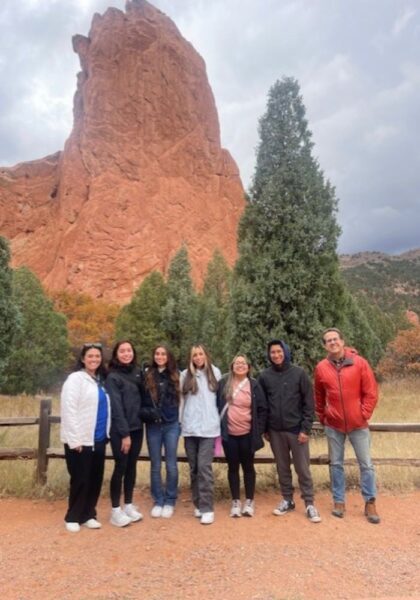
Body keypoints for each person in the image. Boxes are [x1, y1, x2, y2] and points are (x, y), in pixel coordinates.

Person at [314, 328, 380, 524]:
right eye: (328, 341)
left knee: (366, 465)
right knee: (336, 464)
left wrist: (363, 414)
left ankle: (370, 502)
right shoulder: (321, 367)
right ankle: (339, 501)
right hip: (334, 424)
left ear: (342, 341)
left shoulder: (360, 363)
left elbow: (371, 392)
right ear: (324, 345)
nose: (332, 343)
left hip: (358, 424)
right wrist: (324, 416)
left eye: (335, 339)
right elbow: (318, 395)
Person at [259, 339, 321, 523]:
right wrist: (265, 430)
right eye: (273, 352)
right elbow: (262, 405)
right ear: (269, 355)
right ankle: (287, 499)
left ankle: (309, 503)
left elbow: (309, 404)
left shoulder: (299, 373)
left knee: (303, 468)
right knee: (282, 467)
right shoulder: (264, 376)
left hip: (297, 431)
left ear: (285, 351)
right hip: (275, 432)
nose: (276, 355)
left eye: (279, 351)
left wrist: (305, 429)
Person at [60, 343, 110, 533]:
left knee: (95, 478)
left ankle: (89, 514)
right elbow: (69, 409)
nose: (94, 359)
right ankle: (73, 516)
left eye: (97, 356)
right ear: (83, 359)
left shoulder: (100, 381)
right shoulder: (75, 379)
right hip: (80, 439)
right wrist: (75, 439)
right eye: (90, 356)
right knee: (80, 478)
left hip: (98, 438)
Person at [217, 354, 267, 518]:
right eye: (237, 363)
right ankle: (236, 501)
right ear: (232, 366)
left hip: (247, 434)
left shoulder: (254, 385)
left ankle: (250, 501)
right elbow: (216, 404)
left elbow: (262, 409)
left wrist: (258, 430)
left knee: (248, 467)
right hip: (229, 434)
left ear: (248, 367)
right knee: (232, 467)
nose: (240, 365)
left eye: (243, 363)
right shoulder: (224, 383)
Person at [180, 344, 221, 525]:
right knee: (194, 468)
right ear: (191, 357)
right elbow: (181, 401)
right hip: (190, 429)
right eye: (194, 355)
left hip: (209, 429)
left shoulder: (215, 373)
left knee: (204, 468)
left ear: (206, 355)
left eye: (200, 354)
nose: (198, 357)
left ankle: (207, 507)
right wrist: (180, 423)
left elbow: (220, 400)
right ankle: (197, 504)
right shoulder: (184, 375)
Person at [106, 340, 144, 528]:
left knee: (132, 467)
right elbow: (116, 407)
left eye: (129, 350)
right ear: (116, 354)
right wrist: (124, 434)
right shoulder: (112, 377)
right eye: (122, 351)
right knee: (120, 467)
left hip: (137, 428)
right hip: (121, 431)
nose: (126, 353)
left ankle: (128, 505)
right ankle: (115, 510)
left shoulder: (138, 373)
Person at [143, 345, 180, 518]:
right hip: (153, 425)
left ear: (168, 356)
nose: (160, 356)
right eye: (157, 353)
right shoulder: (147, 375)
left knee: (171, 464)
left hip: (172, 424)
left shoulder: (176, 375)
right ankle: (158, 500)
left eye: (163, 353)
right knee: (155, 465)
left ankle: (170, 500)